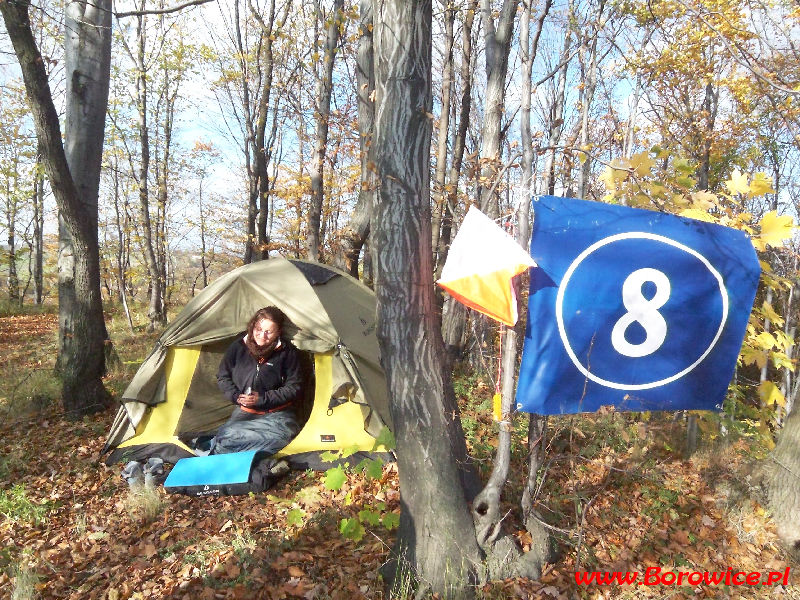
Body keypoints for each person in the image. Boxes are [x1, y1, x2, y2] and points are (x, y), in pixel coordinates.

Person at [212, 306, 303, 455]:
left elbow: (294, 387)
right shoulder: (238, 347)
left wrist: (261, 399)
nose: (262, 335)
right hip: (246, 412)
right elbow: (223, 376)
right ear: (252, 326)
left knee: (282, 442)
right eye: (258, 329)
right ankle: (254, 456)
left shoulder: (287, 353)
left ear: (278, 332)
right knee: (224, 439)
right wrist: (236, 396)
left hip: (278, 413)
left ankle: (252, 455)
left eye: (269, 332)